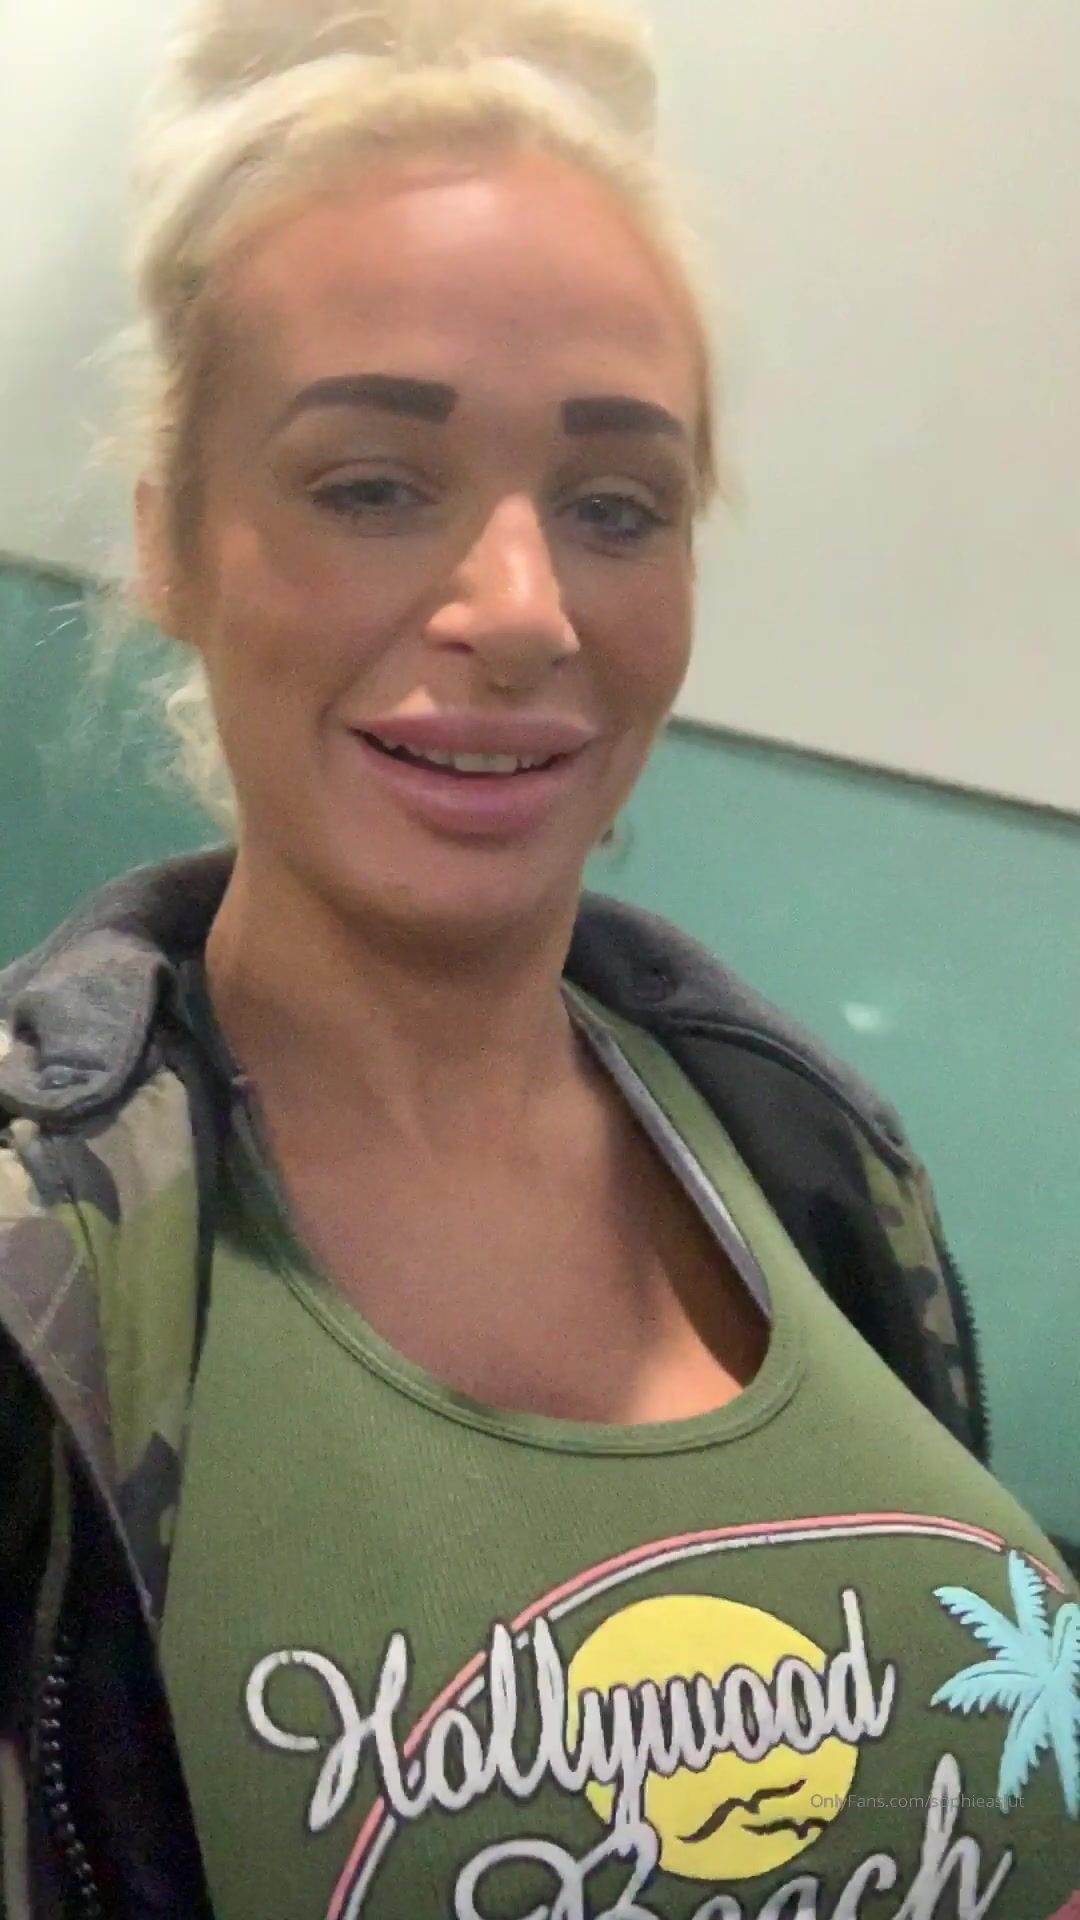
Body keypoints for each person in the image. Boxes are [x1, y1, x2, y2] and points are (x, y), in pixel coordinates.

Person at [0, 0, 1076, 1913]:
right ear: (173, 539)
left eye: (614, 507)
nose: (523, 608)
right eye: (371, 484)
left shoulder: (812, 1160)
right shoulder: (41, 1267)